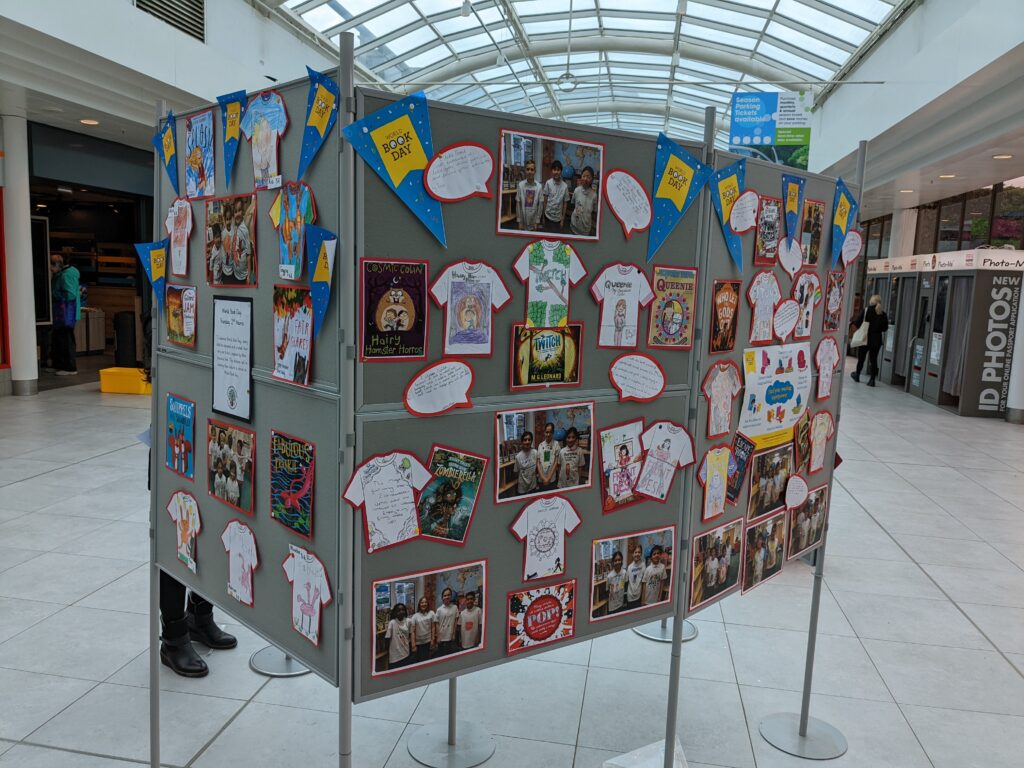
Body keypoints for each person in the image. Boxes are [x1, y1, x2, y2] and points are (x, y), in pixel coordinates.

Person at [47, 253, 81, 376]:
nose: (50, 269)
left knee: (66, 339)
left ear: (57, 265)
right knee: (59, 339)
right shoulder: (62, 274)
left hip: (66, 313)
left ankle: (70, 367)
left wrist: (54, 295)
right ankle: (60, 365)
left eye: (51, 265)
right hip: (63, 313)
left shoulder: (65, 275)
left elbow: (70, 295)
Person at [850, 293, 889, 386]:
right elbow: (885, 328)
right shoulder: (883, 314)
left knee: (861, 358)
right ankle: (872, 380)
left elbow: (858, 322)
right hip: (876, 340)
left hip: (865, 338)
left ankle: (857, 375)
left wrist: (852, 323)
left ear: (872, 301)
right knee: (874, 360)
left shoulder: (866, 310)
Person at [540, 160, 568, 233]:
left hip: (558, 219)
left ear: (561, 171)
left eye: (558, 170)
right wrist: (543, 217)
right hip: (547, 216)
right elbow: (545, 201)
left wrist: (562, 219)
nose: (556, 172)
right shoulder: (548, 183)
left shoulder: (565, 186)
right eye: (554, 169)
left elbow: (565, 204)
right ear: (552, 171)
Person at [569, 165, 597, 236]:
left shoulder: (594, 195)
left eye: (588, 177)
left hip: (585, 229)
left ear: (592, 179)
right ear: (581, 177)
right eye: (584, 176)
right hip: (574, 225)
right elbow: (573, 204)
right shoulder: (576, 190)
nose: (585, 179)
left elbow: (594, 211)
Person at [516, 160, 543, 231]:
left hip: (533, 221)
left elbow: (540, 206)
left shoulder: (539, 187)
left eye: (532, 169)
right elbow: (518, 204)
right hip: (523, 220)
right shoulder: (520, 185)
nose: (530, 172)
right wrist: (519, 221)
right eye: (527, 169)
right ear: (525, 170)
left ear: (535, 171)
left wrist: (537, 221)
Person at [385, 603, 412, 669]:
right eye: (398, 610)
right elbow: (387, 638)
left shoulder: (408, 621)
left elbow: (411, 635)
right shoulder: (392, 623)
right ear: (395, 612)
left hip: (406, 653)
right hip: (395, 657)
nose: (401, 612)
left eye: (403, 610)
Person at [410, 596, 436, 663]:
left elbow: (433, 628)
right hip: (418, 644)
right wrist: (413, 645)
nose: (424, 604)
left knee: (428, 661)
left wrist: (432, 640)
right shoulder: (415, 616)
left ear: (427, 604)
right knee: (419, 662)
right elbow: (413, 631)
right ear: (419, 604)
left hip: (428, 642)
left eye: (425, 602)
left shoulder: (431, 613)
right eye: (422, 602)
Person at [513, 430, 539, 496]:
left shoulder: (535, 453)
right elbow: (516, 472)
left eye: (529, 439)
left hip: (533, 486)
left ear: (531, 441)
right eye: (525, 440)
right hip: (522, 489)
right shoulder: (518, 457)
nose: (527, 442)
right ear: (522, 442)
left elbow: (537, 469)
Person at [434, 588, 459, 656]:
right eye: (445, 595)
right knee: (441, 655)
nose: (447, 597)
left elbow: (455, 622)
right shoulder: (439, 609)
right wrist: (438, 636)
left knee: (450, 654)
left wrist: (454, 634)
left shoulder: (455, 607)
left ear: (451, 596)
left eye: (448, 595)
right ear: (442, 597)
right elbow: (437, 624)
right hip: (441, 636)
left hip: (450, 636)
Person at [536, 422, 560, 492]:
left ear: (553, 433)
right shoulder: (540, 445)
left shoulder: (556, 444)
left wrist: (549, 478)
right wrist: (543, 478)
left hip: (552, 479)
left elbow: (556, 462)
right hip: (541, 479)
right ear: (544, 432)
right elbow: (538, 463)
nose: (548, 434)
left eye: (550, 432)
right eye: (547, 432)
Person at [625, 546, 645, 610]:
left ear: (641, 553)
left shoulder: (643, 565)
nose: (637, 554)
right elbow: (626, 581)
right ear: (632, 554)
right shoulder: (629, 567)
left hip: (639, 596)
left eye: (639, 552)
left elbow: (644, 582)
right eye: (635, 552)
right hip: (630, 596)